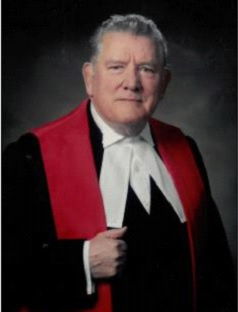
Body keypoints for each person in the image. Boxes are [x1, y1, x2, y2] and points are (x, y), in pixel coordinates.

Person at [2, 14, 235, 312]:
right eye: (116, 67)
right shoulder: (28, 156)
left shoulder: (186, 148)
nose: (131, 83)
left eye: (147, 69)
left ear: (164, 83)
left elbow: (218, 271)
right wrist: (82, 261)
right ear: (90, 78)